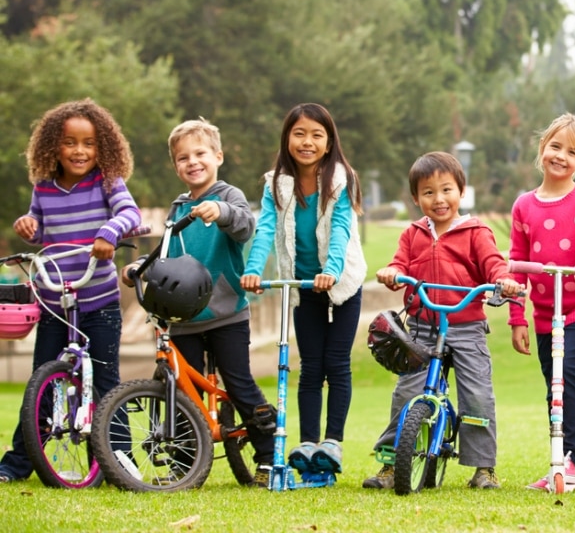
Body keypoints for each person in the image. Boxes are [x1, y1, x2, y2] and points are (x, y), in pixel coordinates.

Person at [121, 118, 276, 485]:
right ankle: (184, 463)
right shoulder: (177, 209)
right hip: (184, 316)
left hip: (226, 313)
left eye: (200, 154)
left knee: (238, 383)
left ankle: (268, 456)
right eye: (183, 158)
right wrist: (140, 268)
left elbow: (244, 225)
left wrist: (220, 212)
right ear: (176, 166)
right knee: (183, 391)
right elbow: (167, 253)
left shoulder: (228, 196)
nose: (192, 162)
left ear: (218, 156)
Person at [0, 99, 142, 483]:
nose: (80, 151)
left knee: (108, 384)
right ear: (52, 147)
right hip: (56, 304)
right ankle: (17, 464)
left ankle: (121, 464)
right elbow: (44, 233)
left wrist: (110, 232)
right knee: (41, 384)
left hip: (99, 302)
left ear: (103, 148)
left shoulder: (107, 180)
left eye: (89, 143)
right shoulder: (43, 188)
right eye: (70, 142)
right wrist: (28, 224)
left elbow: (130, 214)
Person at [362, 152, 522, 491]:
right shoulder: (413, 233)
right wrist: (392, 273)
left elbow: (494, 264)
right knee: (406, 391)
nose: (439, 199)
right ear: (416, 198)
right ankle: (392, 463)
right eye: (428, 192)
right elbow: (399, 264)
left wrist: (503, 280)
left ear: (461, 192)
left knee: (477, 394)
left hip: (466, 327)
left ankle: (483, 468)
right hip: (421, 326)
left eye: (446, 189)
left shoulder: (476, 232)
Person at [241, 103, 366, 476]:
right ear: (287, 138)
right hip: (300, 283)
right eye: (299, 134)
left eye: (316, 135)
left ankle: (332, 443)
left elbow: (341, 227)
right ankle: (308, 443)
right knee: (310, 367)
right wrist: (252, 270)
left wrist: (331, 270)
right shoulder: (276, 184)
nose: (307, 142)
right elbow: (265, 228)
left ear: (328, 143)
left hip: (340, 280)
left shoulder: (342, 179)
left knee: (336, 363)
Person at [508, 113, 575, 491]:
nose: (561, 156)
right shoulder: (524, 206)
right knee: (552, 384)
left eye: (571, 151)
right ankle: (555, 459)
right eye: (555, 146)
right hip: (546, 314)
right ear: (542, 149)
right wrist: (517, 317)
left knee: (565, 376)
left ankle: (569, 460)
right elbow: (516, 264)